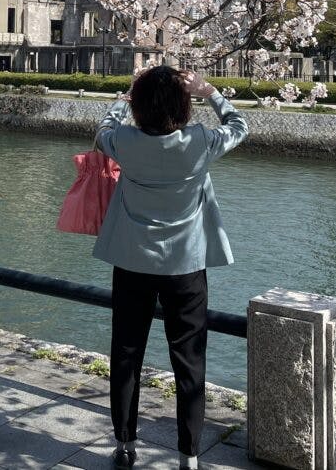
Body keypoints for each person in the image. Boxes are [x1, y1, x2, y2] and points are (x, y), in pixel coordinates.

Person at [93, 66, 249, 470]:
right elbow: (240, 126)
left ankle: (125, 443)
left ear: (140, 107)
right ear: (183, 106)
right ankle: (189, 454)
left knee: (126, 353)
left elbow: (102, 130)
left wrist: (123, 98)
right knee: (189, 359)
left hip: (132, 262)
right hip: (186, 265)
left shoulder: (124, 141)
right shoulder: (199, 141)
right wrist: (210, 91)